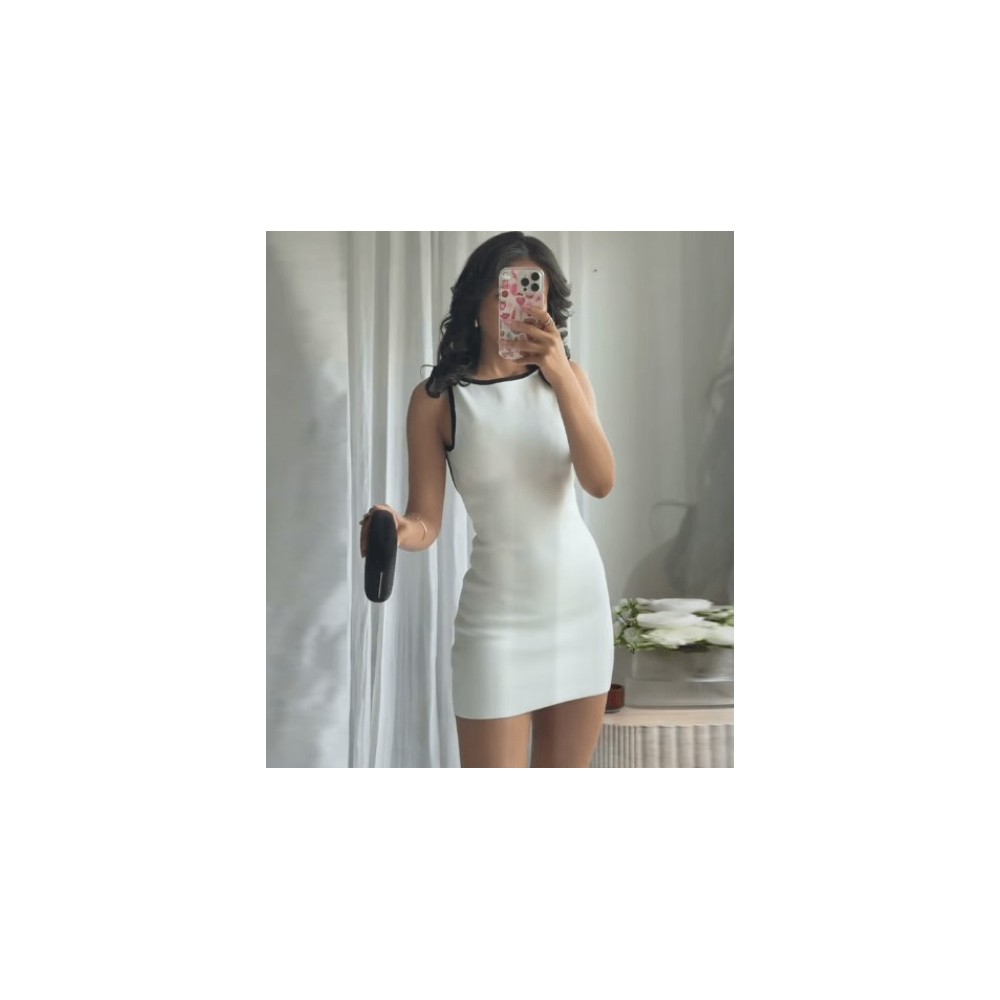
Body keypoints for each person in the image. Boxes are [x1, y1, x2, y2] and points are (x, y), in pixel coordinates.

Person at [359, 232, 616, 767]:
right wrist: (396, 527)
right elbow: (426, 522)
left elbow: (600, 482)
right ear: (476, 303)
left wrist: (559, 375)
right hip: (496, 624)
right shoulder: (437, 400)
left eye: (531, 293)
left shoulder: (570, 380)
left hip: (580, 608)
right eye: (503, 294)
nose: (517, 308)